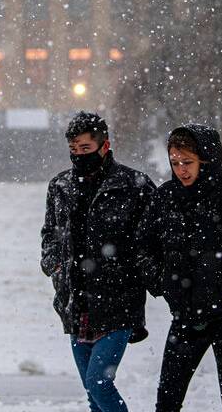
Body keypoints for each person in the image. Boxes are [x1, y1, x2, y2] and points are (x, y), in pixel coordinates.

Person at [136, 124, 222, 412]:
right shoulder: (165, 198)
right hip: (185, 315)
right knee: (167, 400)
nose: (181, 170)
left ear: (206, 160)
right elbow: (143, 248)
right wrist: (161, 281)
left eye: (188, 162)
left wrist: (219, 285)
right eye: (175, 163)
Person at [40, 111, 156, 412]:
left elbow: (155, 238)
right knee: (92, 395)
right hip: (76, 303)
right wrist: (53, 263)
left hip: (119, 302)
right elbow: (50, 233)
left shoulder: (134, 185)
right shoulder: (60, 186)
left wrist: (139, 270)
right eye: (73, 150)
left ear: (104, 146)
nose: (78, 156)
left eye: (86, 149)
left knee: (99, 384)